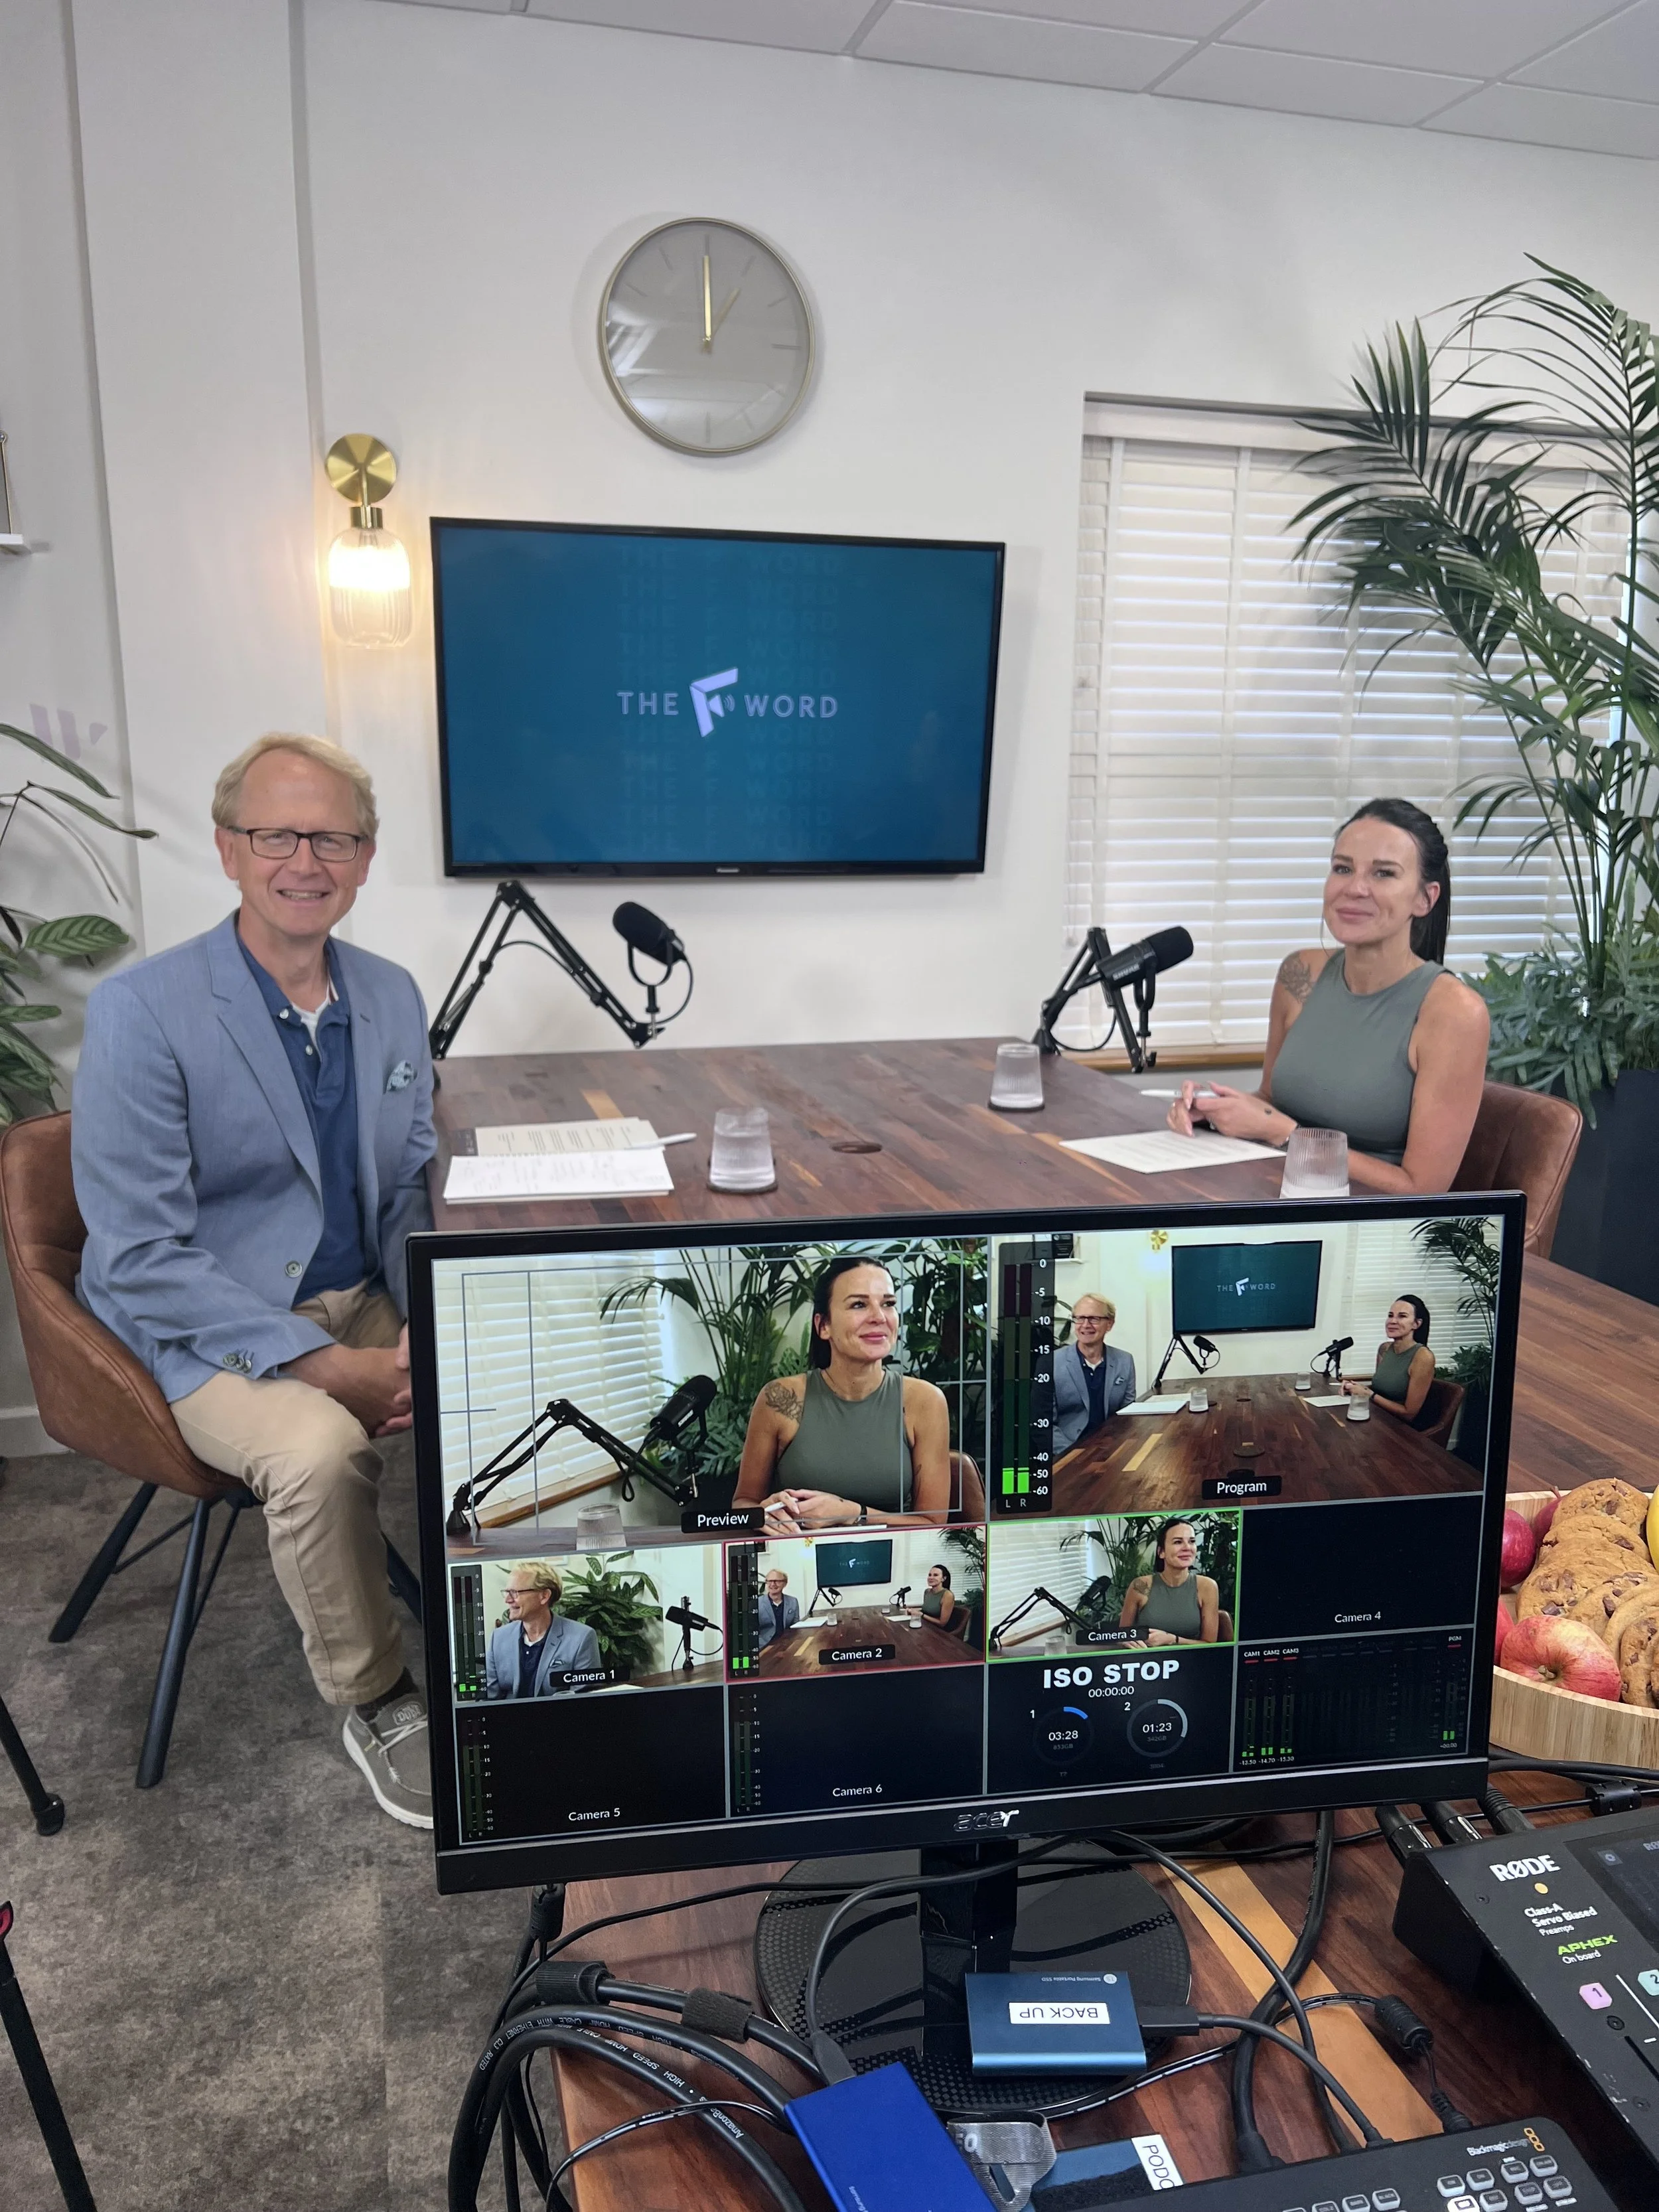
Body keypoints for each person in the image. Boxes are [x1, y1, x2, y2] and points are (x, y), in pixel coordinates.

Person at [72, 733, 437, 1827]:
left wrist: (428, 1317)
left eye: (331, 836)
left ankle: (526, 1649)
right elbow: (138, 1253)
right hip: (207, 1316)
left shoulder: (390, 992)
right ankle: (378, 1692)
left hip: (359, 1287)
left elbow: (410, 1186)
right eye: (275, 833)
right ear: (230, 848)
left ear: (365, 857)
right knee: (321, 1451)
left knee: (511, 1367)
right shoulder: (141, 1010)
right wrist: (325, 1364)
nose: (304, 859)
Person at [1166, 800, 1488, 1195]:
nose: (1355, 888)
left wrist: (1288, 1136)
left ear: (1425, 898)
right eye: (1343, 868)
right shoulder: (1299, 973)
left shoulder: (1454, 1012)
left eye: (1384, 873)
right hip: (1280, 1197)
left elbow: (1421, 1189)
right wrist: (1214, 1109)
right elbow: (1272, 1100)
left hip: (1370, 1229)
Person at [733, 1256, 952, 1532]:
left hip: (897, 1563)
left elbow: (933, 1523)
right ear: (823, 1325)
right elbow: (743, 1503)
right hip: (797, 1562)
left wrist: (851, 1513)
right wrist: (763, 1513)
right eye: (859, 1305)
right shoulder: (780, 1398)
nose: (879, 1317)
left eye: (888, 1304)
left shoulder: (925, 1401)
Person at [485, 1566, 602, 1697]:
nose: (508, 1600)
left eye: (515, 1592)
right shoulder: (499, 1638)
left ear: (544, 1596)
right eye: (507, 1592)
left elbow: (584, 1701)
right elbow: (490, 1699)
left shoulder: (582, 1638)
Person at [1052, 1295, 1137, 1455]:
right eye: (1080, 1318)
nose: (1085, 1325)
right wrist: (1072, 1454)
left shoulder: (1125, 1361)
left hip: (1112, 1450)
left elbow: (1127, 1417)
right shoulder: (1052, 1363)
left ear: (1110, 1324)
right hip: (1068, 1451)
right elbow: (1046, 1424)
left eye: (1094, 1319)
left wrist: (1121, 1449)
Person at [1119, 1520, 1220, 1646]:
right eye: (1178, 1542)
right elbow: (1122, 1635)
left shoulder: (1207, 1587)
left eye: (1192, 1541)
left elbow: (1210, 1644)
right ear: (1161, 1552)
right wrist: (1127, 1641)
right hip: (1148, 1660)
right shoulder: (1141, 1586)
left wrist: (1173, 1639)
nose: (1187, 1548)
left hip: (1192, 1660)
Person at [1342, 1295, 1437, 1428]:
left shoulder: (1423, 1357)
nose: (1393, 1321)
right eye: (1390, 1315)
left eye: (1402, 1316)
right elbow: (1380, 1390)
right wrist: (1355, 1388)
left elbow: (1409, 1413)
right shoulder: (1385, 1349)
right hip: (1377, 1419)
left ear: (1416, 1324)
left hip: (1401, 1429)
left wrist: (1369, 1394)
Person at [757, 1569, 800, 1649]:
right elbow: (752, 1632)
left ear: (785, 1584)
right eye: (770, 1581)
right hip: (764, 1646)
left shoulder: (793, 1602)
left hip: (787, 1645)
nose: (773, 1584)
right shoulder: (757, 1604)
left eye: (777, 1581)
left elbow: (795, 1627)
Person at [908, 1563, 957, 1630]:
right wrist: (912, 1610)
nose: (931, 1578)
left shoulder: (948, 1595)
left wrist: (921, 1615)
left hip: (939, 1632)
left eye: (936, 1575)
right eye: (930, 1575)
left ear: (943, 1579)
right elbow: (927, 1610)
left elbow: (942, 1623)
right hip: (926, 1627)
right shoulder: (927, 1592)